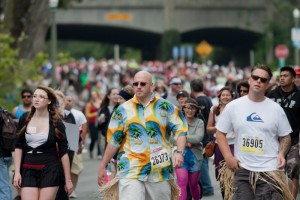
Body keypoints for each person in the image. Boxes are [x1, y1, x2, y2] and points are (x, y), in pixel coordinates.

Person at [97, 71, 188, 200]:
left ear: (152, 86)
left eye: (143, 83)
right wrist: (103, 165)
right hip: (131, 168)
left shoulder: (166, 107)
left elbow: (181, 130)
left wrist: (179, 152)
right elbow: (113, 141)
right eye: (136, 84)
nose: (139, 86)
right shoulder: (122, 110)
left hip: (159, 170)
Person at [216, 64, 293, 199]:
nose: (258, 81)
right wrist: (228, 157)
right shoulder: (234, 106)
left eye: (263, 80)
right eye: (256, 77)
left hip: (269, 169)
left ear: (267, 84)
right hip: (243, 168)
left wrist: (281, 153)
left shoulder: (276, 109)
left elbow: (285, 137)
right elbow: (220, 133)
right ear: (250, 80)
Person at [13, 85, 73, 199]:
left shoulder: (58, 122)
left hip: (50, 169)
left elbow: (64, 152)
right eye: (35, 96)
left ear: (49, 101)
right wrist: (17, 172)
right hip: (28, 169)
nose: (36, 99)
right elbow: (18, 146)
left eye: (41, 97)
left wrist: (68, 179)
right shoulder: (25, 119)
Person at [267, 66, 300, 199]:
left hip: (294, 139)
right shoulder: (272, 95)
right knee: (274, 171)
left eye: (286, 76)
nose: (282, 78)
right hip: (273, 140)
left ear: (293, 79)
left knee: (293, 168)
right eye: (281, 75)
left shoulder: (299, 96)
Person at [206, 87, 234, 199]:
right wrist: (221, 128)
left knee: (233, 175)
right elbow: (208, 128)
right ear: (219, 97)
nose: (225, 97)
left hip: (234, 145)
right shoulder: (214, 109)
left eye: (228, 95)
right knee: (222, 176)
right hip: (219, 146)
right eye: (223, 95)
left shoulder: (236, 109)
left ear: (232, 97)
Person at [175, 98, 204, 200]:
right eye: (188, 108)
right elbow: (171, 138)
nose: (190, 110)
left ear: (196, 110)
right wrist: (187, 142)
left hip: (195, 157)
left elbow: (198, 138)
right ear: (184, 109)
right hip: (180, 155)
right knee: (182, 182)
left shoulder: (199, 122)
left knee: (193, 184)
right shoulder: (177, 121)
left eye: (193, 108)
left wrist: (182, 138)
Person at [190, 78, 214, 196]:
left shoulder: (197, 101)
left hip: (202, 135)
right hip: (208, 134)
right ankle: (206, 185)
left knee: (202, 162)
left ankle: (207, 187)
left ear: (192, 88)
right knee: (204, 161)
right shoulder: (208, 99)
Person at [64, 94, 88, 199]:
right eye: (66, 100)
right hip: (62, 142)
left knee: (75, 168)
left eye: (70, 100)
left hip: (74, 139)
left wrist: (81, 144)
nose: (68, 102)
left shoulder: (78, 114)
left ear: (73, 102)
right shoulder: (58, 113)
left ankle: (72, 190)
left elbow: (84, 129)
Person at [96, 88, 119, 159]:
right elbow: (98, 125)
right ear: (108, 96)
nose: (116, 96)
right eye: (114, 94)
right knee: (107, 159)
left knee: (116, 159)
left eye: (117, 94)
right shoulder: (103, 109)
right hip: (104, 137)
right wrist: (99, 121)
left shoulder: (120, 108)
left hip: (117, 137)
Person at [0, 107, 13, 199]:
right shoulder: (3, 111)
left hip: (1, 156)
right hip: (7, 153)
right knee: (5, 184)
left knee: (2, 186)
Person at [85, 91, 101, 159]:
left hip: (99, 123)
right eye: (92, 95)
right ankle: (91, 150)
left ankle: (99, 153)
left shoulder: (100, 102)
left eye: (94, 94)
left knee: (99, 138)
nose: (94, 96)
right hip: (92, 123)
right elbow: (87, 114)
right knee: (94, 138)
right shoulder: (89, 104)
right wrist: (95, 114)